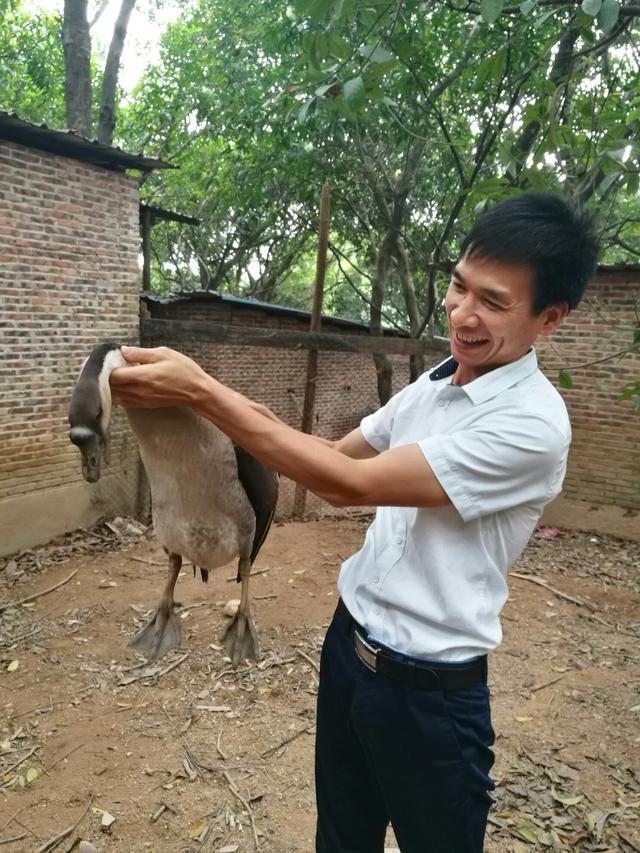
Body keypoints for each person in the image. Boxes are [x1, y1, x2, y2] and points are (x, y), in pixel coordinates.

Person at [110, 191, 599, 853]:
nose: (463, 312)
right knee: (341, 839)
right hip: (349, 651)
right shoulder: (436, 381)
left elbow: (346, 484)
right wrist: (211, 410)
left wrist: (203, 389)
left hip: (430, 695)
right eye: (458, 287)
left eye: (492, 301)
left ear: (551, 317)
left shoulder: (531, 424)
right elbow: (332, 451)